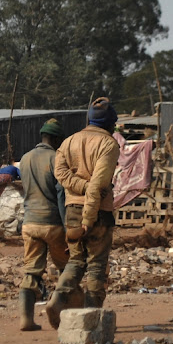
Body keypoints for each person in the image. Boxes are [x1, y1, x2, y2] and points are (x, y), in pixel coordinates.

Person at [46, 97, 120, 329]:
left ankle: (59, 296)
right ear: (110, 124)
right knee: (97, 264)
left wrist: (80, 187)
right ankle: (91, 318)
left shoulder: (68, 142)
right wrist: (89, 217)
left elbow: (60, 173)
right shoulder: (109, 145)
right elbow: (97, 186)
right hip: (97, 212)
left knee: (76, 260)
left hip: (72, 209)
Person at [17, 118, 69, 331]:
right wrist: (67, 226)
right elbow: (60, 193)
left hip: (30, 223)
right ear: (56, 139)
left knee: (31, 271)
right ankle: (58, 306)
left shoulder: (25, 158)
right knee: (67, 268)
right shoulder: (56, 159)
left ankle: (26, 319)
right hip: (52, 223)